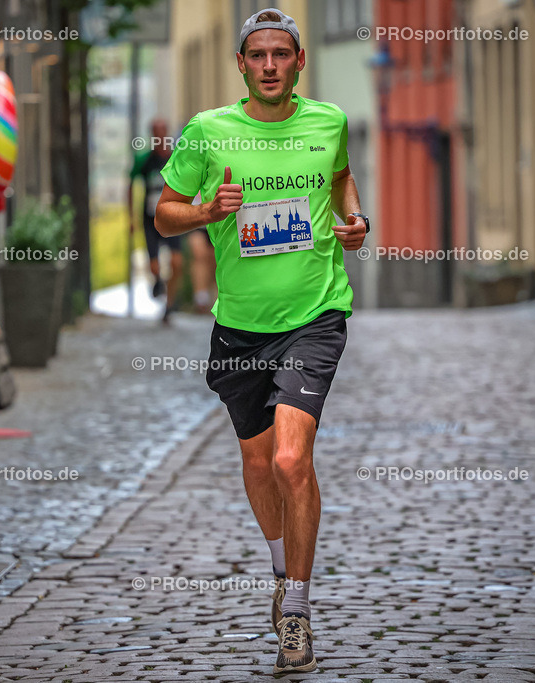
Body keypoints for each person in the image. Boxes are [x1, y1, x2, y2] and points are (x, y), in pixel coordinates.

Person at [154, 8, 368, 674]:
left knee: (288, 459)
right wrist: (206, 211)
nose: (271, 65)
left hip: (316, 314)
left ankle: (297, 612)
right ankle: (281, 570)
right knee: (255, 461)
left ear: (299, 62)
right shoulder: (208, 132)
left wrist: (353, 220)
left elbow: (338, 178)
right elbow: (162, 214)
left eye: (282, 54)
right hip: (241, 326)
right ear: (241, 64)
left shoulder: (327, 121)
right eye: (258, 55)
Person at [129, 119, 184, 323]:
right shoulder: (144, 160)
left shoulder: (176, 159)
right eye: (156, 132)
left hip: (174, 218)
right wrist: (130, 217)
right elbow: (130, 183)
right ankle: (158, 282)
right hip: (150, 219)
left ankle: (169, 306)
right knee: (153, 266)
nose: (160, 136)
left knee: (177, 263)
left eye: (163, 132)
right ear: (151, 134)